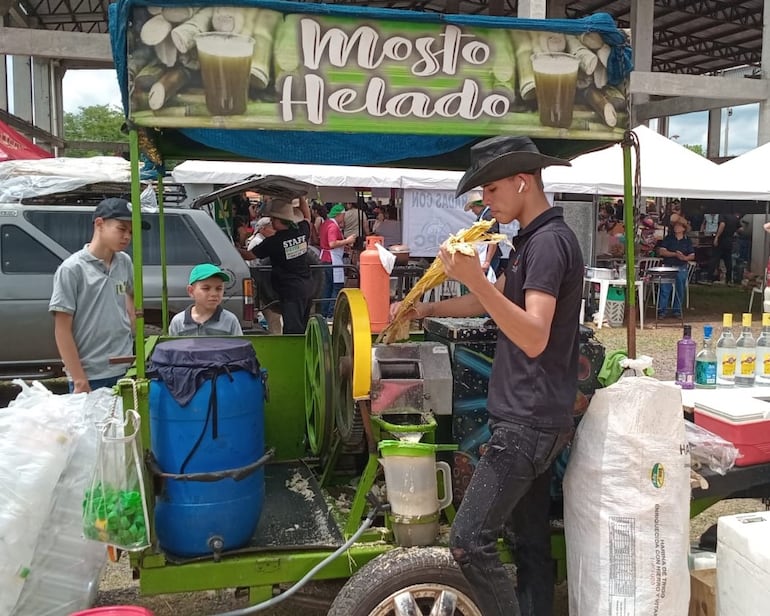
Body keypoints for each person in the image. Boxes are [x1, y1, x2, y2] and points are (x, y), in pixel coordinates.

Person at [391, 136, 580, 616]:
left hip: (527, 421)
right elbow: (487, 301)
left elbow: (534, 335)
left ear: (523, 182)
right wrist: (425, 308)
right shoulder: (530, 241)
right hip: (537, 415)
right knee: (529, 542)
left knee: (469, 542)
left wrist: (476, 278)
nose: (485, 203)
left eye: (492, 190)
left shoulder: (549, 246)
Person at [49, 197, 147, 393]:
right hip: (90, 374)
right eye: (122, 229)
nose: (127, 236)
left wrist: (131, 320)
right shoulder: (72, 269)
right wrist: (78, 379)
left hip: (123, 368)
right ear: (99, 224)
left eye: (131, 232)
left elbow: (132, 294)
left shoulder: (124, 262)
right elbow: (62, 329)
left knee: (123, 423)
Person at [249, 196, 314, 334]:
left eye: (273, 220)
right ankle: (302, 352)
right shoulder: (302, 230)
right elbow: (307, 216)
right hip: (307, 286)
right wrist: (302, 197)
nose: (271, 222)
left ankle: (293, 353)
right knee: (302, 326)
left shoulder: (274, 242)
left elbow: (250, 255)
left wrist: (232, 249)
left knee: (292, 329)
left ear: (280, 221)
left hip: (289, 290)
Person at [168, 264, 243, 336]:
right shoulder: (178, 322)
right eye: (206, 288)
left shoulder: (230, 321)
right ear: (191, 291)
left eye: (219, 288)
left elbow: (240, 347)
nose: (214, 293)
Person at [319, 203, 355, 318]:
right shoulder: (333, 227)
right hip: (332, 259)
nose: (344, 218)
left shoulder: (326, 224)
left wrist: (343, 246)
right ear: (339, 215)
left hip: (325, 258)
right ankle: (331, 314)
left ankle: (324, 313)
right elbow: (332, 243)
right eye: (343, 215)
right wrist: (347, 240)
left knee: (327, 287)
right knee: (336, 286)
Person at [656, 218, 695, 318]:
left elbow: (692, 255)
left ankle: (677, 310)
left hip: (681, 266)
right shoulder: (668, 238)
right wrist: (674, 254)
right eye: (675, 226)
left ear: (684, 228)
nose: (676, 228)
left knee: (680, 289)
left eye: (679, 226)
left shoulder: (687, 241)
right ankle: (662, 310)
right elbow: (662, 251)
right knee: (665, 289)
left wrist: (684, 257)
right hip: (669, 266)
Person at [464, 189, 500, 280]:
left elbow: (493, 239)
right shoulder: (482, 216)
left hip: (489, 256)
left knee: (487, 283)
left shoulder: (488, 216)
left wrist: (487, 261)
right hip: (483, 256)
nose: (472, 211)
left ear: (477, 205)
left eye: (472, 208)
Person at [708, 212, 737, 283]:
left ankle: (709, 278)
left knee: (714, 259)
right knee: (728, 261)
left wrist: (717, 237)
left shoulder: (723, 215)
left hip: (721, 240)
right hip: (729, 240)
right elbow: (740, 228)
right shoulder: (734, 217)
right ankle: (729, 280)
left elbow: (722, 224)